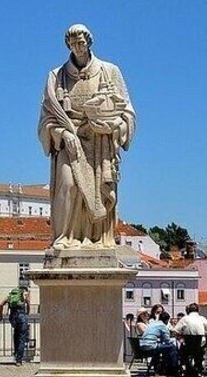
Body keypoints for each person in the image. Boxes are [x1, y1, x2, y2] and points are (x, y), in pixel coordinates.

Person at [38, 24, 136, 249]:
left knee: (98, 193)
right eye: (72, 44)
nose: (77, 48)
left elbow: (127, 113)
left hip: (100, 142)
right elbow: (45, 120)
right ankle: (66, 237)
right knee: (68, 185)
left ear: (89, 42)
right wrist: (61, 133)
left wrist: (114, 126)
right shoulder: (56, 76)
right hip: (69, 141)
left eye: (80, 43)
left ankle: (96, 239)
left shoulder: (109, 71)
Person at [175, 303, 207, 376]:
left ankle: (187, 367)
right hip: (199, 347)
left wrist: (180, 339)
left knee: (182, 349)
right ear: (198, 310)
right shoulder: (203, 319)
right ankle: (198, 367)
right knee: (199, 350)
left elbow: (176, 331)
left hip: (187, 347)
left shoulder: (184, 319)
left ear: (188, 310)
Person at [139, 311, 179, 376]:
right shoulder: (162, 326)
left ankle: (163, 368)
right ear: (166, 320)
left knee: (166, 348)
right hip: (152, 347)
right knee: (172, 347)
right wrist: (173, 339)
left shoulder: (151, 324)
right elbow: (167, 340)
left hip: (142, 346)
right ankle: (174, 369)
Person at [0, 286, 30, 366]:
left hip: (13, 317)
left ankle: (16, 353)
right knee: (22, 338)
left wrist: (1, 316)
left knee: (16, 334)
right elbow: (28, 304)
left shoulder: (10, 296)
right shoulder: (25, 294)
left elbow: (1, 305)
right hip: (22, 317)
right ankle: (18, 360)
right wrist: (27, 313)